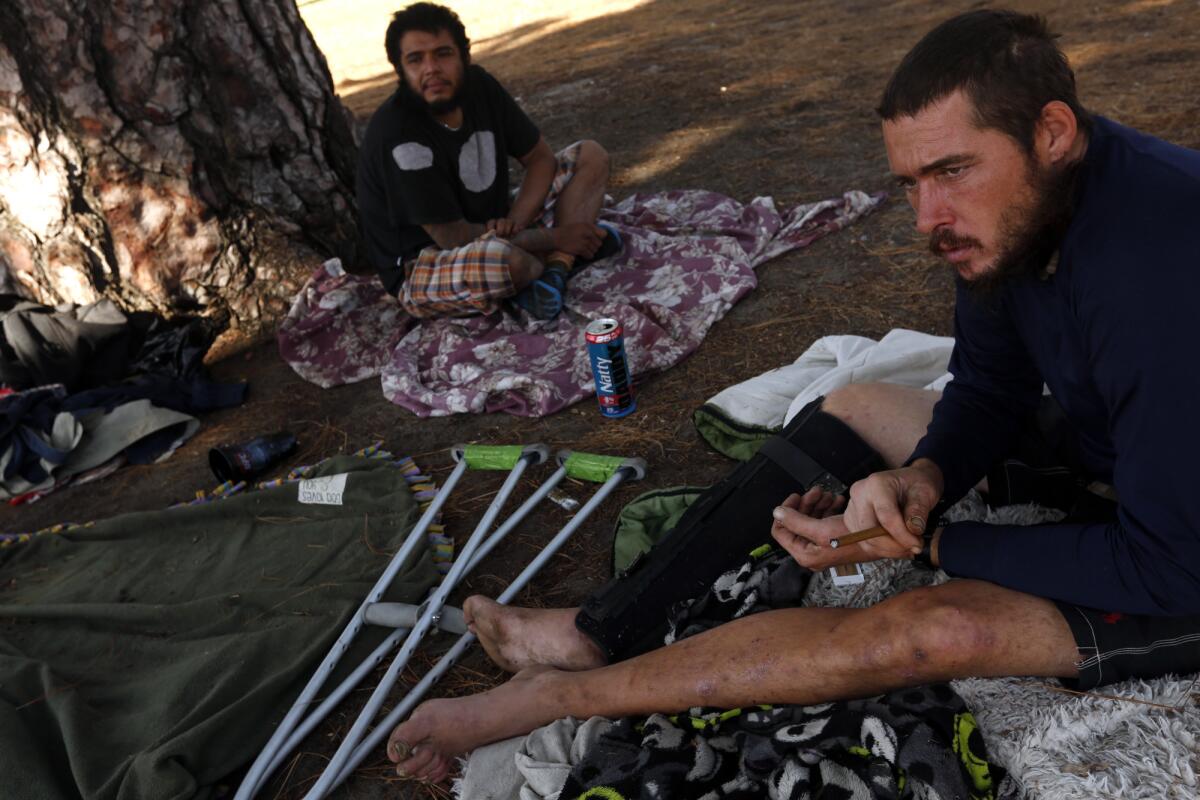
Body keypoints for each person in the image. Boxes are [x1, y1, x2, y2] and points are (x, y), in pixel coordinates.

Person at [382, 9, 1200, 783]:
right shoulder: (1020, 210)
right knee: (861, 404)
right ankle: (603, 631)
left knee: (935, 626)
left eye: (952, 171)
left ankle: (556, 697)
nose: (927, 217)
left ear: (1052, 132)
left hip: (1185, 555)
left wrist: (933, 546)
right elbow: (989, 383)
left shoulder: (1159, 278)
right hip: (1131, 454)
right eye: (911, 181)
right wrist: (927, 479)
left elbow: (1168, 568)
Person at [356, 3, 620, 321]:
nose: (431, 69)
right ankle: (562, 251)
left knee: (589, 155)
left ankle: (556, 270)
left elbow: (539, 159)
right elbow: (453, 238)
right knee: (506, 261)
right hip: (426, 264)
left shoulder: (479, 86)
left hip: (494, 226)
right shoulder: (397, 131)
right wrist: (556, 237)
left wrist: (516, 222)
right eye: (416, 59)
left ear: (464, 57)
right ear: (399, 69)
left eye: (443, 53)